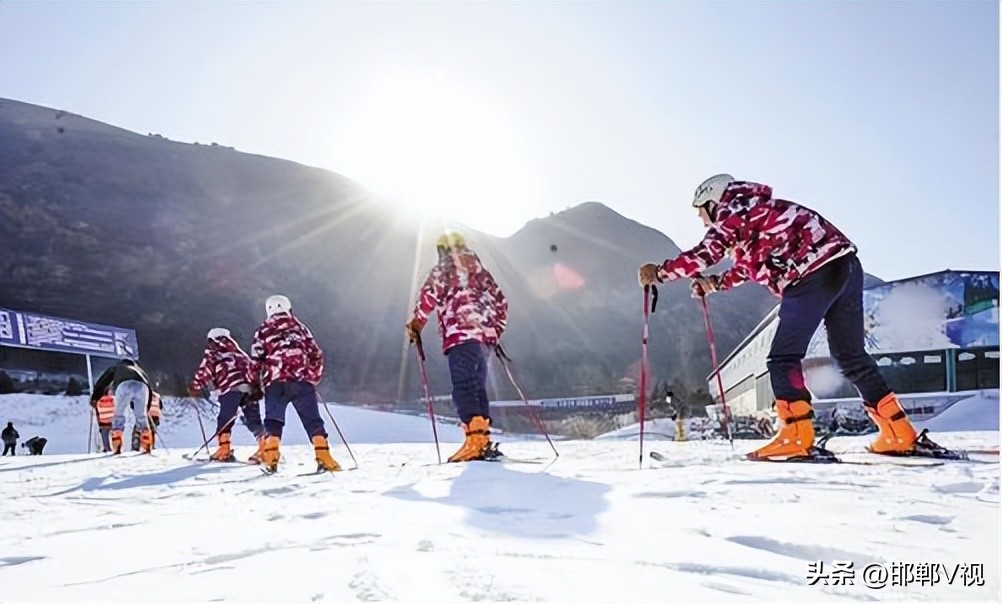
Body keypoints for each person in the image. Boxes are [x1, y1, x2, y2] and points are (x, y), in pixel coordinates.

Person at [638, 174, 944, 461]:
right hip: (846, 268)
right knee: (850, 356)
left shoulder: (734, 209)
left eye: (701, 212)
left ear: (712, 201)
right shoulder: (756, 211)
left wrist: (660, 272)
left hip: (813, 275)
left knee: (783, 358)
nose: (702, 220)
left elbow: (706, 254)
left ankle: (797, 435)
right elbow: (747, 268)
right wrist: (713, 283)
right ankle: (898, 432)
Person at [405, 232, 509, 462]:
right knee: (477, 387)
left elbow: (428, 296)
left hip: (459, 336)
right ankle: (482, 439)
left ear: (441, 250)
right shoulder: (481, 271)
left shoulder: (443, 269)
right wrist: (495, 332)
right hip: (484, 340)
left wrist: (416, 324)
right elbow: (501, 302)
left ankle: (474, 441)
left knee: (464, 386)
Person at [250, 295, 339, 473]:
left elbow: (255, 360)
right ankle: (324, 457)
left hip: (275, 383)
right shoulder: (301, 328)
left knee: (273, 422)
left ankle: (271, 458)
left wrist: (255, 385)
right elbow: (316, 354)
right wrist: (313, 376)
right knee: (313, 420)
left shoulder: (263, 330)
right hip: (301, 382)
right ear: (288, 308)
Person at [189, 327, 265, 463]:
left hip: (230, 388)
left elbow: (205, 369)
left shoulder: (214, 351)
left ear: (211, 339)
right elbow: (253, 369)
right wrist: (256, 388)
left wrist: (195, 386)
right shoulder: (239, 353)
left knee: (225, 420)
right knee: (254, 420)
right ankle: (266, 448)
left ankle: (224, 450)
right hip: (249, 389)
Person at [90, 358, 154, 454]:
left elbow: (104, 380)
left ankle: (117, 442)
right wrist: (146, 407)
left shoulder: (117, 366)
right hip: (142, 387)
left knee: (119, 415)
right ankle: (146, 442)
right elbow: (149, 388)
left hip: (124, 385)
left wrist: (95, 397)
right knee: (142, 416)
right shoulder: (139, 370)